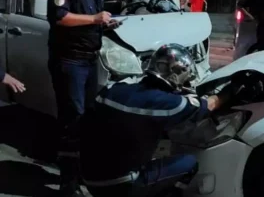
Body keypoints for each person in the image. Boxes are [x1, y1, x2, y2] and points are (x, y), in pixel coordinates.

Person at [79, 43, 239, 197]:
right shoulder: (168, 104)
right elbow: (210, 104)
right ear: (177, 73)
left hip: (89, 178)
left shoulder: (113, 90)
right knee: (190, 162)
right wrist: (230, 91)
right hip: (121, 184)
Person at [46, 0, 124, 196]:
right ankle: (68, 185)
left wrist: (104, 22)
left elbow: (90, 18)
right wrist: (94, 19)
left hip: (89, 63)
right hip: (70, 63)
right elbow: (59, 17)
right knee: (73, 120)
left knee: (86, 119)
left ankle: (80, 174)